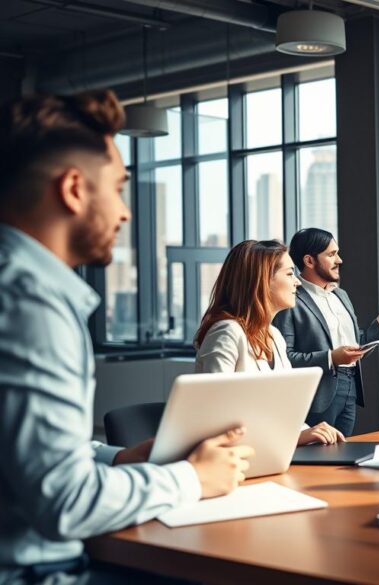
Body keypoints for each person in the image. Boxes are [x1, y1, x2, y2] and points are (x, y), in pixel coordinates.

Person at [0, 90, 252, 584]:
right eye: (118, 188)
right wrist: (191, 478)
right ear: (74, 189)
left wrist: (118, 457)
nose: (125, 212)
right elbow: (66, 503)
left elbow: (26, 454)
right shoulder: (30, 301)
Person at [194, 239, 344, 446]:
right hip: (233, 460)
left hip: (270, 454)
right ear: (262, 280)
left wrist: (312, 431)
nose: (298, 282)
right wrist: (296, 437)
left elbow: (281, 412)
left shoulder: (274, 336)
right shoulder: (227, 333)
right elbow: (218, 421)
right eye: (290, 274)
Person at [273, 228, 379, 437]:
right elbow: (285, 358)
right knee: (317, 457)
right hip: (317, 395)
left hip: (350, 388)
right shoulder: (291, 299)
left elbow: (355, 344)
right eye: (331, 255)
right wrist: (331, 357)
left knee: (343, 454)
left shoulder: (341, 295)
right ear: (309, 261)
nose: (339, 260)